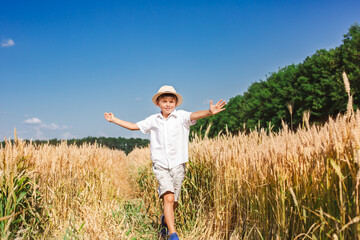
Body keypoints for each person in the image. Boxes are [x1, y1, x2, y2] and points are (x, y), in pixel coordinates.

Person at [104, 85, 226, 240]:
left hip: (178, 164)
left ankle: (164, 220)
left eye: (171, 101)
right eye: (164, 101)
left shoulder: (181, 116)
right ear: (158, 103)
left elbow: (195, 115)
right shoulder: (153, 120)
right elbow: (134, 127)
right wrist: (114, 119)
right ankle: (172, 234)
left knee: (174, 201)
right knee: (168, 197)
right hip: (160, 164)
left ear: (175, 103)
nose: (168, 104)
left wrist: (209, 112)